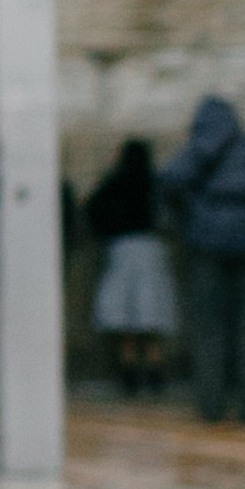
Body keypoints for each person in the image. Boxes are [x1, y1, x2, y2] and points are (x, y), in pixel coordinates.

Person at [160, 97, 245, 425]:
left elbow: (170, 180)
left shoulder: (197, 148)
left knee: (210, 328)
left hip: (209, 244)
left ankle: (211, 405)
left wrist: (192, 216)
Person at [84, 139, 179, 395]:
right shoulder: (155, 184)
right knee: (150, 313)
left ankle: (129, 374)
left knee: (124, 315)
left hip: (122, 249)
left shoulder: (114, 184)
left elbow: (93, 211)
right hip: (152, 248)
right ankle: (155, 370)